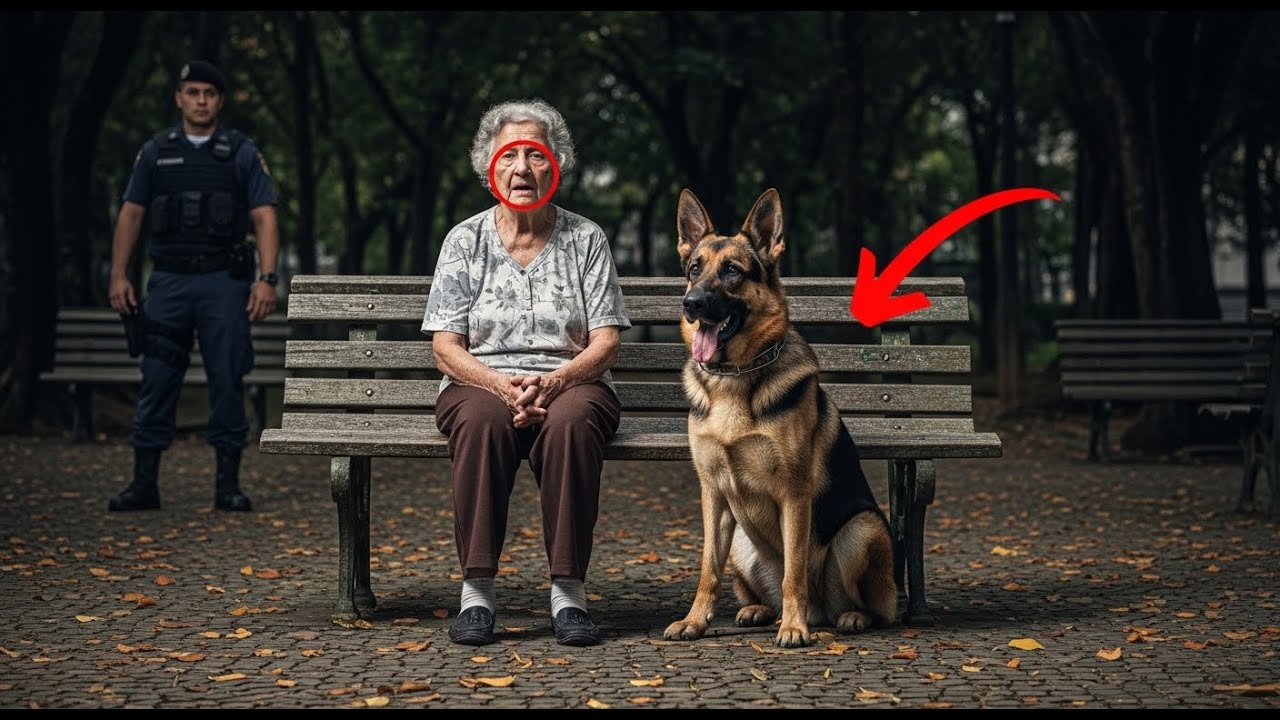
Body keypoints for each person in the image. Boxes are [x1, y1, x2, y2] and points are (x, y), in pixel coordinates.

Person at [421, 98, 631, 647]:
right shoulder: (464, 241)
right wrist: (499, 385)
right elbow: (446, 346)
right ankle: (476, 594)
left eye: (535, 155)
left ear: (555, 165)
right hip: (479, 383)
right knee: (481, 422)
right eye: (509, 155)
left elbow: (606, 341)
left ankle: (568, 595)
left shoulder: (586, 239)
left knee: (571, 422)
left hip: (574, 381)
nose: (521, 168)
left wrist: (554, 383)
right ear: (489, 168)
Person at [105, 60, 280, 513]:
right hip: (169, 282)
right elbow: (131, 213)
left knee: (227, 378)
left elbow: (264, 216)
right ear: (179, 98)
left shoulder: (240, 152)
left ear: (220, 101)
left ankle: (228, 487)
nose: (201, 101)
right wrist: (119, 274)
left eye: (209, 93)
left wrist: (267, 279)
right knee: (157, 378)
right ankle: (144, 484)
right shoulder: (156, 151)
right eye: (193, 92)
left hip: (223, 282)